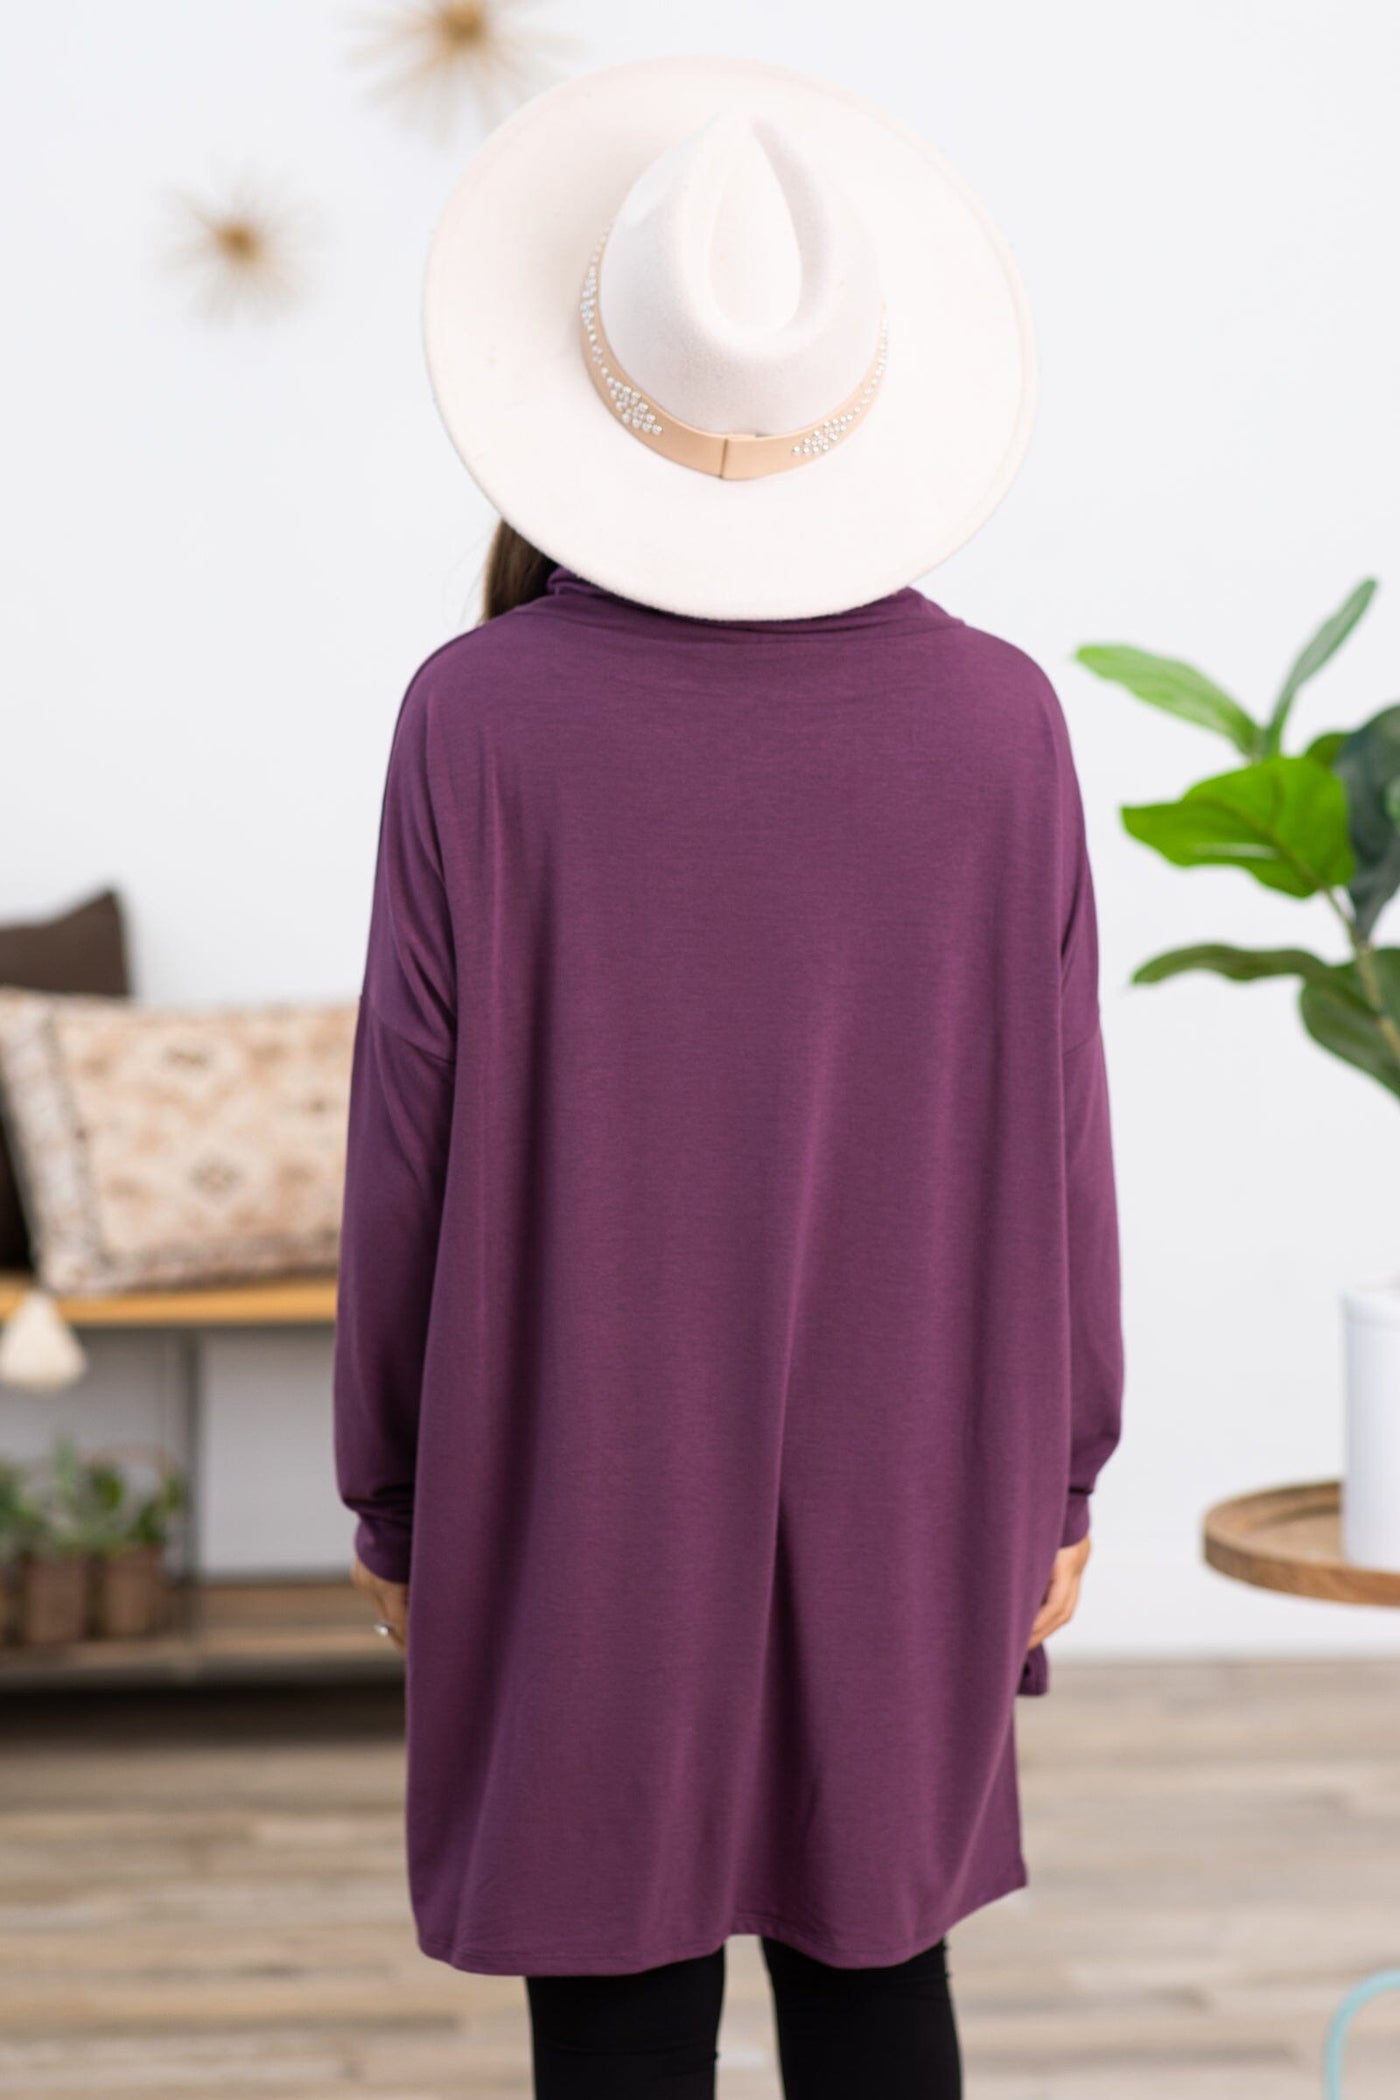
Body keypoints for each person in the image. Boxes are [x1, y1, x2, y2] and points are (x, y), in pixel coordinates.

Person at [333, 53, 1124, 2100]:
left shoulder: (477, 722)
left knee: (610, 1986)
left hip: (565, 1461)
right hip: (921, 1461)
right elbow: (1060, 1139)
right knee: (878, 1974)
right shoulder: (998, 723)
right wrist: (1059, 1471)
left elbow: (404, 1141)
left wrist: (398, 1493)